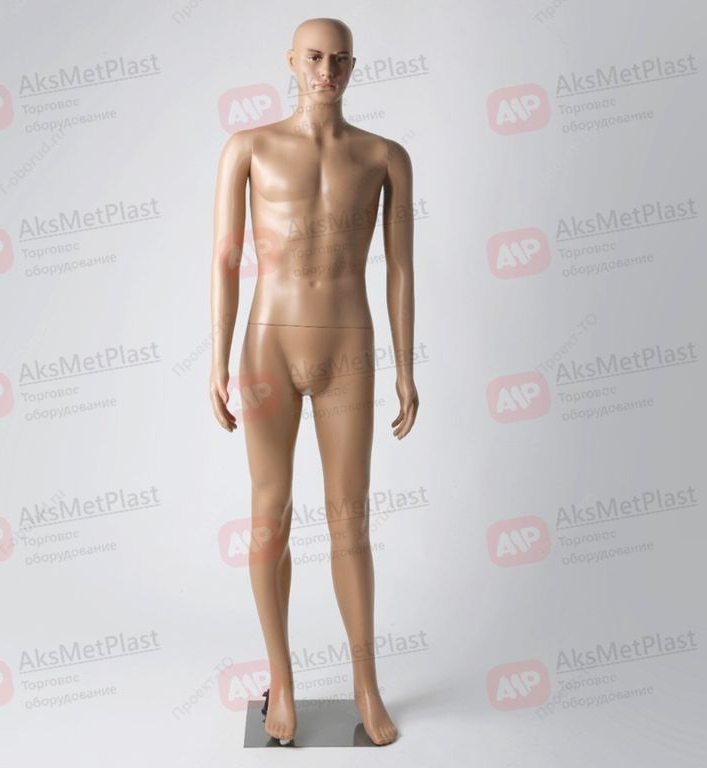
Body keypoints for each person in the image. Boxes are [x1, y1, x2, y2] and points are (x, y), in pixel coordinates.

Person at [209, 16, 418, 746]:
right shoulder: (248, 147)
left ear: (353, 67)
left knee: (349, 518)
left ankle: (366, 684)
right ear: (292, 62)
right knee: (270, 512)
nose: (326, 71)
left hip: (348, 345)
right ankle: (283, 679)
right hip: (268, 342)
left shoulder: (385, 156)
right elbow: (225, 259)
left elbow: (400, 267)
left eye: (339, 60)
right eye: (315, 58)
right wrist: (215, 360)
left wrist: (407, 367)